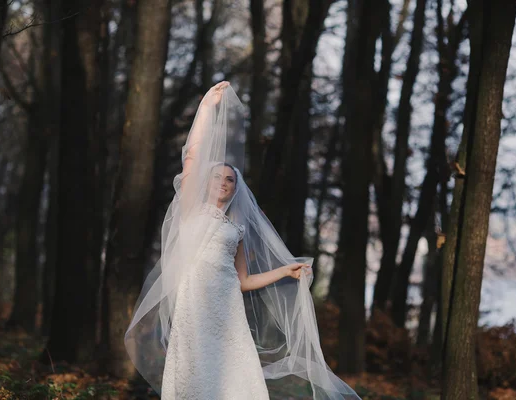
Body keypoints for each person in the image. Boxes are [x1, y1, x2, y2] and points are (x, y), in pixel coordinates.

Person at [125, 82, 361, 400]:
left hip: (228, 308)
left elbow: (243, 280)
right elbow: (193, 156)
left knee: (236, 375)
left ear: (236, 188)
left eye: (230, 179)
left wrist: (286, 271)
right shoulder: (192, 209)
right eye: (217, 177)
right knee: (197, 372)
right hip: (195, 303)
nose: (223, 182)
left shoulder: (236, 229)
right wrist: (207, 108)